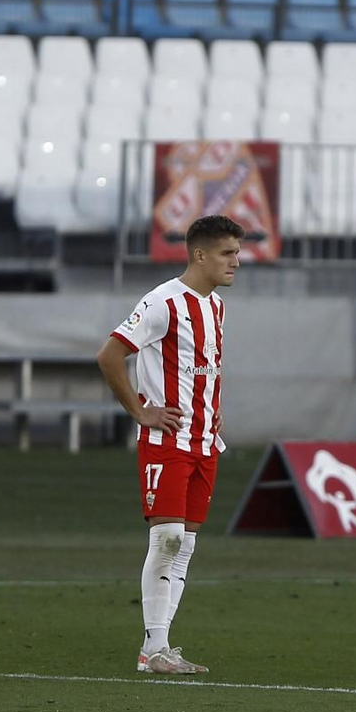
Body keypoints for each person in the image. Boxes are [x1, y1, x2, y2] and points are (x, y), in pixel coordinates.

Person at [96, 215, 244, 676]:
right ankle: (154, 649)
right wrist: (141, 412)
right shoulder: (162, 302)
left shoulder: (216, 306)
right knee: (168, 537)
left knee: (185, 545)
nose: (236, 262)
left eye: (237, 253)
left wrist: (214, 409)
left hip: (204, 441)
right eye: (227, 253)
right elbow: (110, 355)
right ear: (199, 255)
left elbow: (205, 368)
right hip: (167, 441)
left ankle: (157, 649)